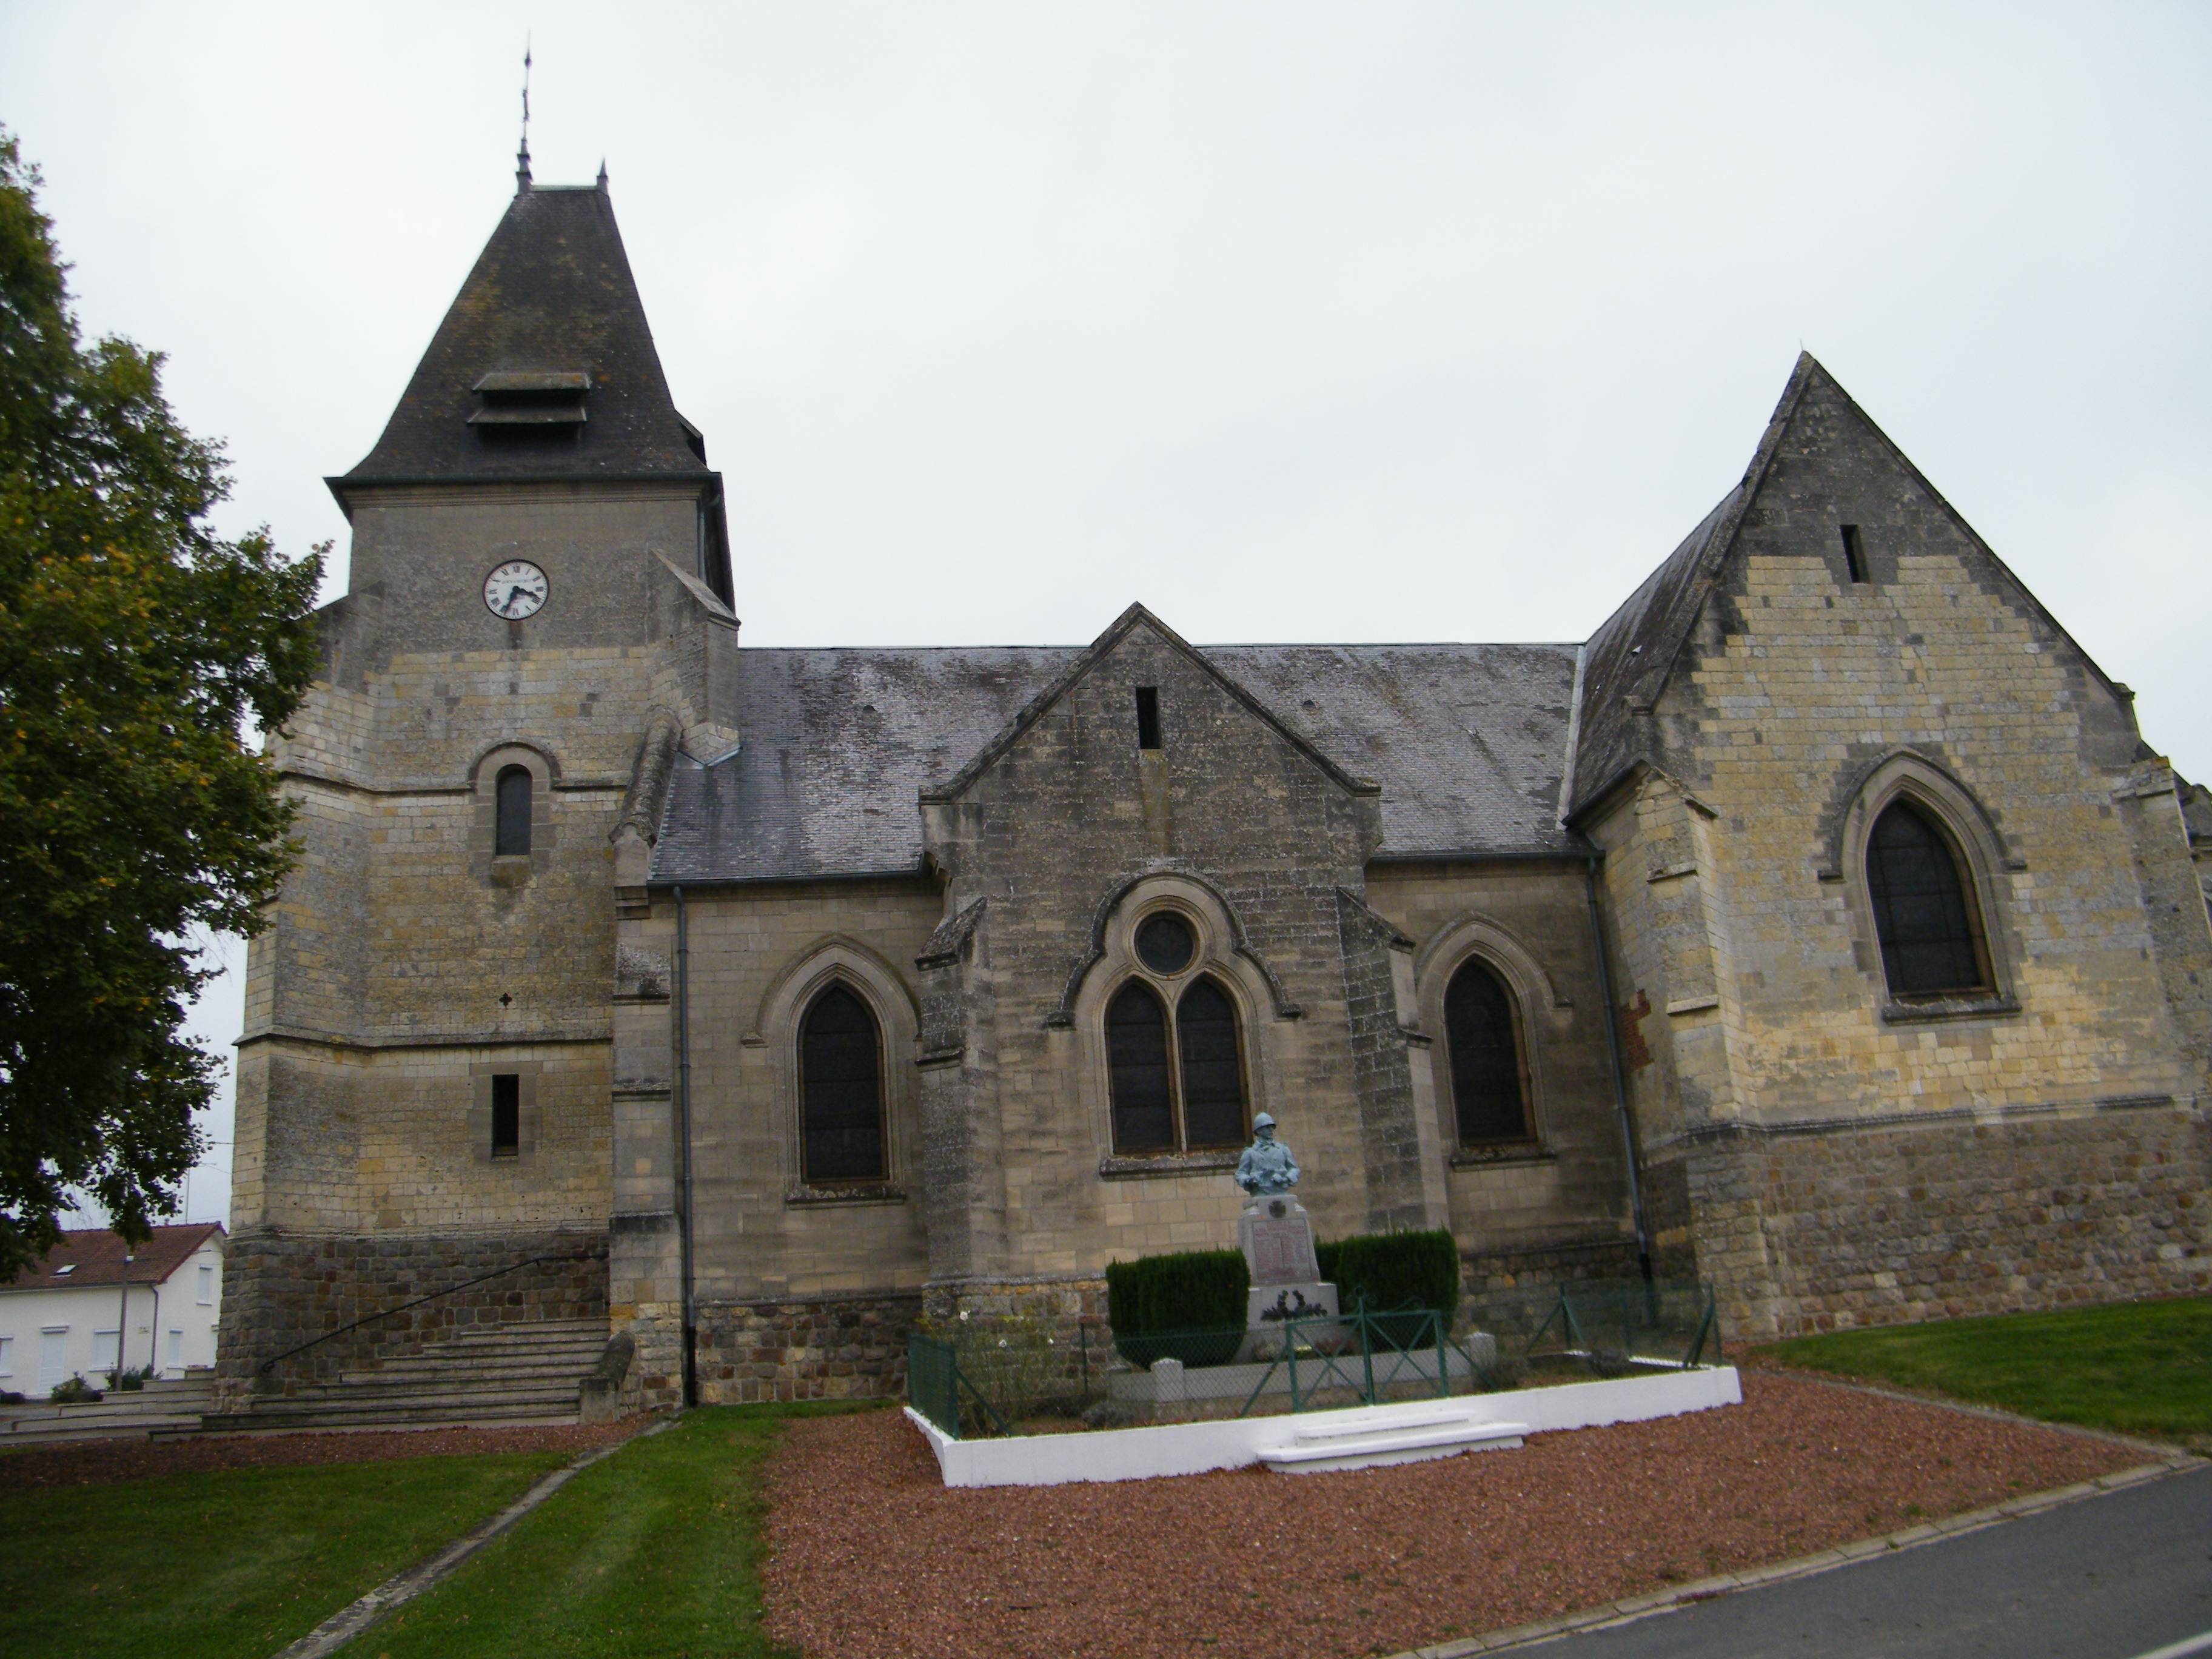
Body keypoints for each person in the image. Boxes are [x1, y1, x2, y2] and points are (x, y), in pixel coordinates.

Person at [1235, 1112, 1301, 1197]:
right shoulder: (1250, 1153)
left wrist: (1286, 1178)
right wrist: (1249, 1180)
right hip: (1259, 1191)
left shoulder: (1283, 1150)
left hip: (1281, 1189)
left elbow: (1294, 1169)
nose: (1271, 1130)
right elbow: (1241, 1173)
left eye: (1272, 1127)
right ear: (1259, 1130)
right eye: (1267, 1127)